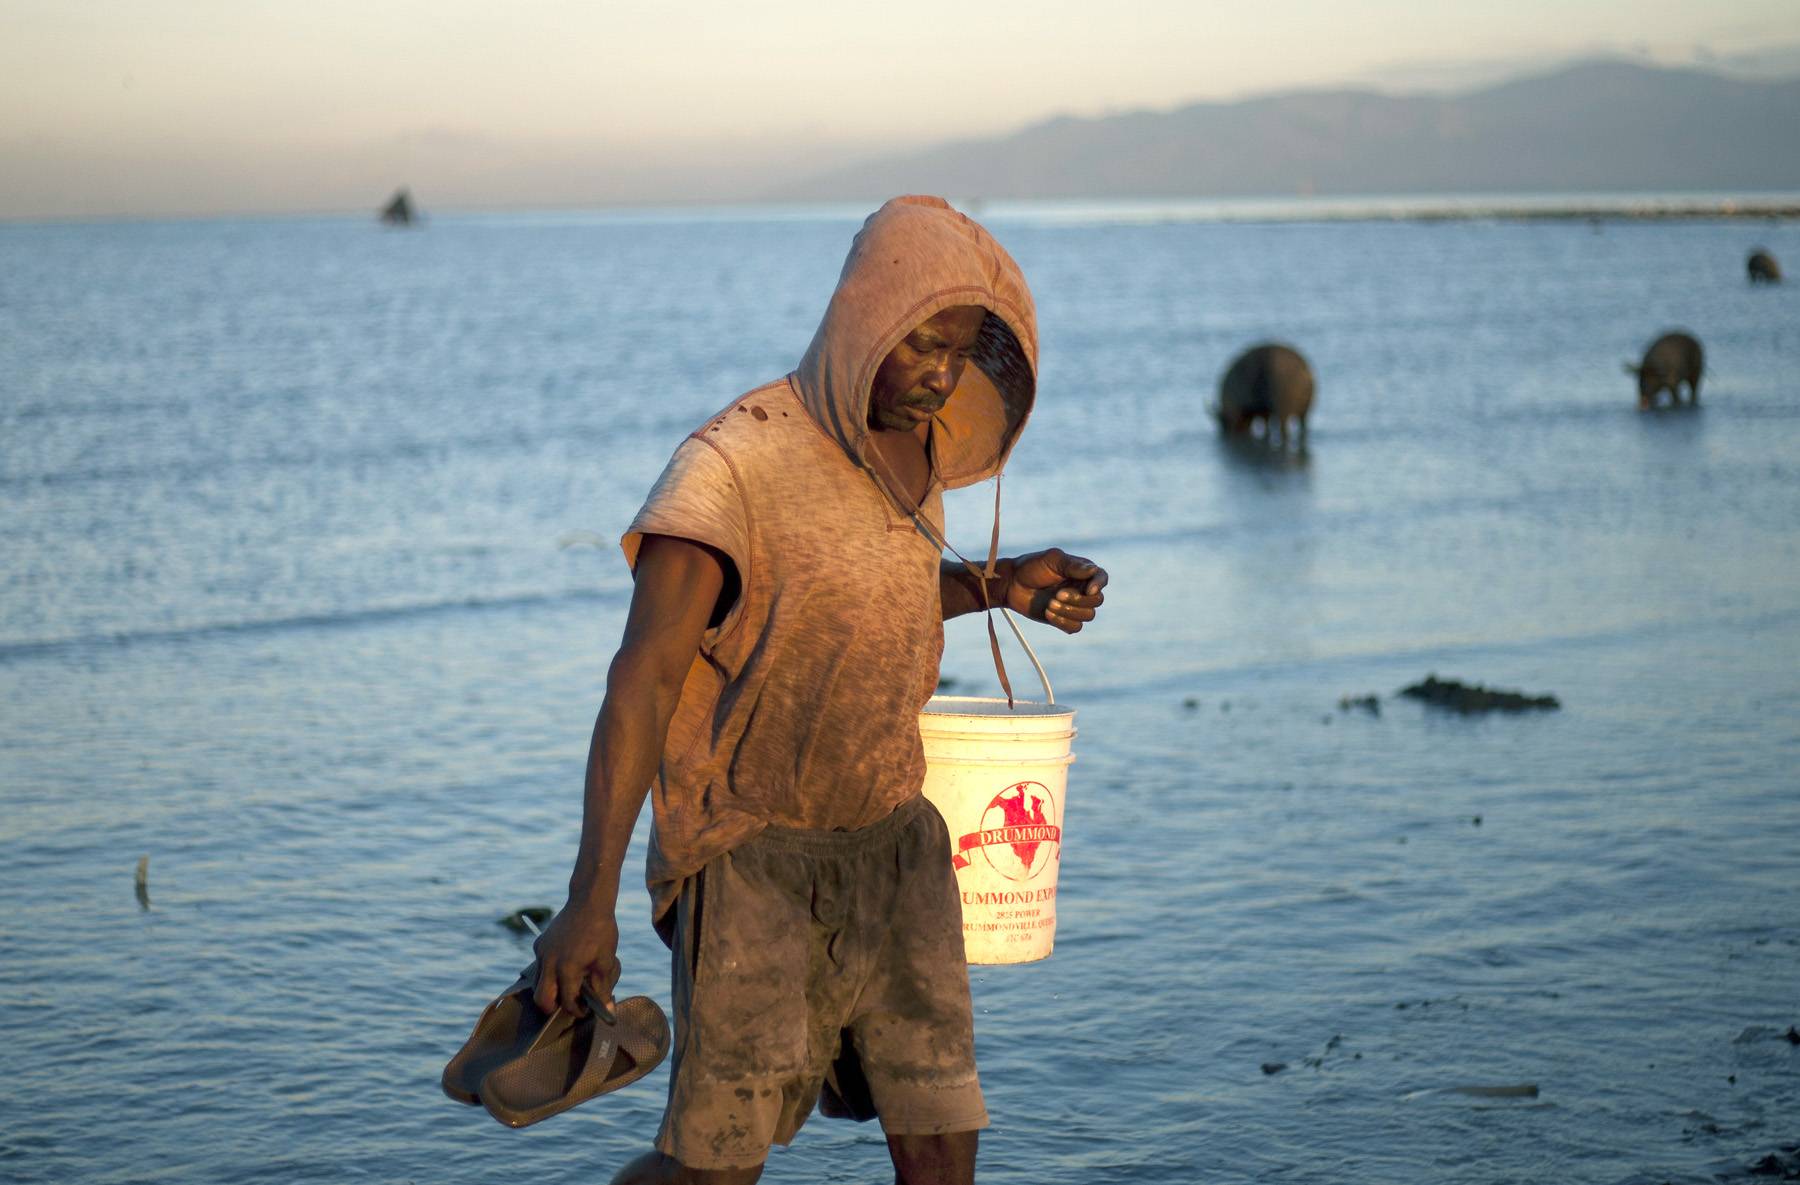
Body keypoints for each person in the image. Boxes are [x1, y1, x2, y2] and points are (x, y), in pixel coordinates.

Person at [530, 195, 1108, 1185]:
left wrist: (1000, 584)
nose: (941, 375)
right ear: (863, 318)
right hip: (751, 858)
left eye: (959, 351)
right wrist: (590, 899)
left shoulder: (917, 450)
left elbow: (858, 594)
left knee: (942, 1144)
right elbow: (643, 680)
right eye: (922, 343)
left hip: (897, 843)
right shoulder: (730, 466)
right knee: (716, 1167)